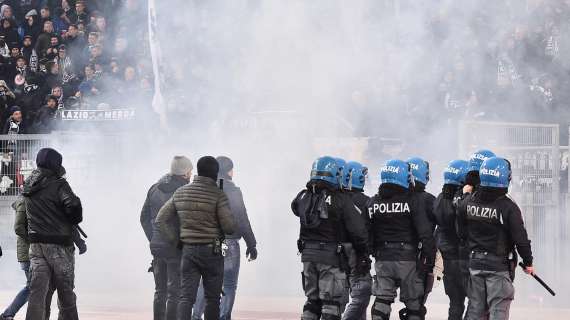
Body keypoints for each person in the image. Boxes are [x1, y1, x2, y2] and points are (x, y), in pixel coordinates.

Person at [156, 156, 235, 320]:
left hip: (188, 251)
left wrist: (177, 242)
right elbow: (229, 227)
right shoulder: (218, 195)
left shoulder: (181, 192)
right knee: (212, 299)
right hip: (212, 252)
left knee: (186, 297)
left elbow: (160, 220)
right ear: (215, 173)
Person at [291, 156, 369, 320]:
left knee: (312, 303)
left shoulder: (303, 197)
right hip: (331, 259)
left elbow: (295, 207)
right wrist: (362, 253)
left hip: (308, 258)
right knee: (331, 304)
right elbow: (358, 231)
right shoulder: (342, 199)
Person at [457, 157, 534, 320]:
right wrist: (528, 262)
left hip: (475, 264)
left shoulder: (468, 202)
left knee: (475, 311)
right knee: (498, 310)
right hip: (497, 267)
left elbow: (461, 233)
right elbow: (520, 238)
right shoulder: (508, 207)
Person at [368, 159, 436, 320]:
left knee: (382, 300)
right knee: (414, 305)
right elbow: (424, 232)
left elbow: (366, 231)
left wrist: (372, 251)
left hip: (382, 258)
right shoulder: (413, 200)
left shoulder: (373, 202)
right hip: (408, 260)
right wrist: (430, 259)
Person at [192, 156, 257, 320]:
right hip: (229, 242)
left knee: (204, 282)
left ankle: (195, 315)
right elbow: (242, 219)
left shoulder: (203, 188)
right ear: (228, 171)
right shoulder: (234, 191)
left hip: (206, 242)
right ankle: (223, 316)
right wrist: (251, 244)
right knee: (228, 284)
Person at [23, 148, 83, 320]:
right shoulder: (59, 184)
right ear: (54, 163)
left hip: (35, 245)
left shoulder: (29, 184)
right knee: (66, 292)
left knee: (37, 291)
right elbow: (73, 208)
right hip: (59, 246)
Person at [141, 156, 193, 320]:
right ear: (185, 173)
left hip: (157, 247)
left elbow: (143, 218)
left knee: (160, 290)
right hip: (176, 247)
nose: (192, 174)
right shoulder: (185, 191)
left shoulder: (154, 188)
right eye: (190, 171)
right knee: (175, 292)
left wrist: (154, 238)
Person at [433, 159, 470, 320]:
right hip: (462, 258)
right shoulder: (462, 199)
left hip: (447, 259)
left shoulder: (440, 198)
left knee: (455, 303)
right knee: (476, 303)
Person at [340, 161, 372, 320]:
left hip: (336, 253)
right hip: (356, 253)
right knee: (362, 295)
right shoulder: (366, 201)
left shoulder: (338, 198)